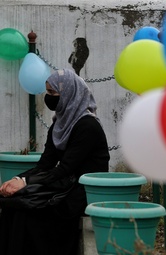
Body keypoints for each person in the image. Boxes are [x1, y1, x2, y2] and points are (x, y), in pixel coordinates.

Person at [0, 69, 110, 255]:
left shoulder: (87, 126)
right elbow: (45, 164)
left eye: (53, 93)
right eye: (47, 92)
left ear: (68, 94)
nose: (48, 98)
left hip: (81, 193)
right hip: (63, 185)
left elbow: (66, 168)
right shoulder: (59, 124)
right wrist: (17, 179)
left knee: (27, 213)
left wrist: (25, 183)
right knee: (11, 205)